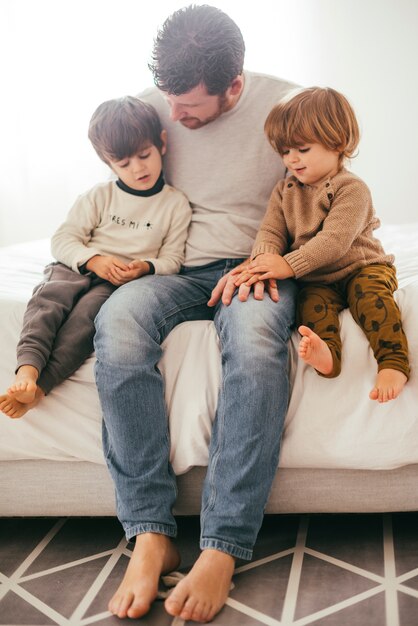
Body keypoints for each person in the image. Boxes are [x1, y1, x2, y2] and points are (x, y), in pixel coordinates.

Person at [93, 4, 297, 623]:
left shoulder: (287, 108)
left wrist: (271, 261)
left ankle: (223, 545)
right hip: (172, 267)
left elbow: (324, 195)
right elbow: (121, 191)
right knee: (118, 324)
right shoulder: (151, 105)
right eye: (168, 100)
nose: (172, 118)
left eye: (189, 109)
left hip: (256, 263)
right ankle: (151, 531)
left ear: (233, 85)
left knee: (258, 347)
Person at [0, 96, 191, 419]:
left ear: (161, 143)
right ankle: (28, 369)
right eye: (124, 163)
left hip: (116, 282)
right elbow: (64, 239)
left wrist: (145, 267)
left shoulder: (175, 204)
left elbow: (173, 259)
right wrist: (94, 259)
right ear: (108, 163)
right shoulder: (99, 196)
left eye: (144, 155)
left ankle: (41, 387)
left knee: (85, 322)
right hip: (79, 266)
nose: (138, 168)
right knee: (49, 302)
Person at [234, 86, 410, 403]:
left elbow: (334, 242)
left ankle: (393, 362)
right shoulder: (285, 190)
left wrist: (287, 265)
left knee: (371, 299)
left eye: (301, 148)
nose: (292, 159)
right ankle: (327, 358)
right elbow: (271, 231)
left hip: (361, 267)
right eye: (285, 151)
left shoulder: (351, 188)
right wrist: (264, 261)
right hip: (318, 279)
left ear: (336, 143)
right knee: (311, 309)